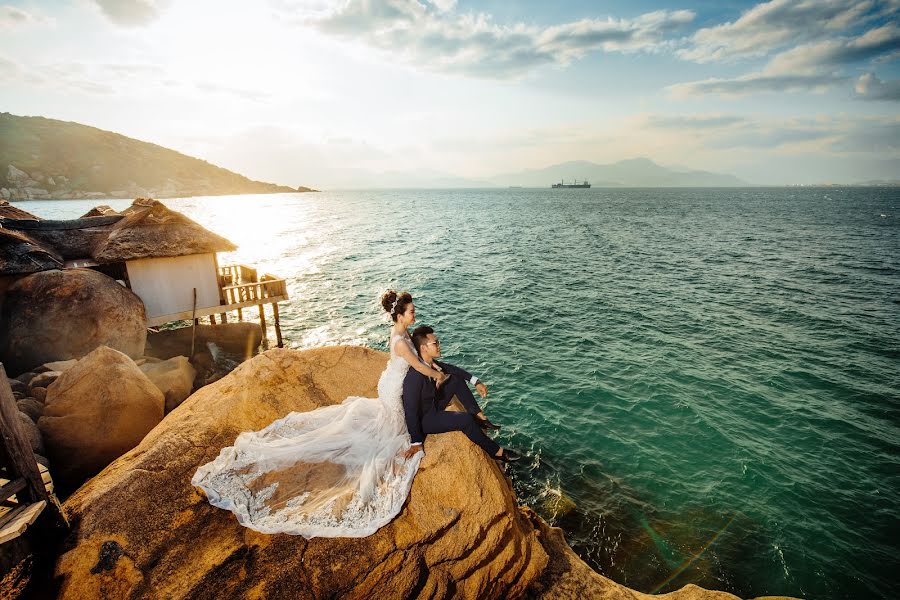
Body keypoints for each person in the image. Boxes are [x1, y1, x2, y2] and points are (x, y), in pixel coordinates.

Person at [191, 290, 448, 538]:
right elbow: (416, 364)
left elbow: (419, 357)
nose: (415, 314)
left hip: (390, 382)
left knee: (380, 425)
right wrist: (437, 375)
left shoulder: (402, 333)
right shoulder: (401, 342)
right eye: (411, 311)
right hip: (393, 390)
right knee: (389, 434)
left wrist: (433, 364)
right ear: (400, 315)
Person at [403, 326, 521, 463]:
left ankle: (479, 416)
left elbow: (452, 369)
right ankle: (497, 452)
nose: (439, 345)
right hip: (426, 419)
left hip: (433, 404)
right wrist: (416, 442)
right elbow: (410, 411)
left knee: (456, 379)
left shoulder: (430, 363)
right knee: (465, 420)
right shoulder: (414, 376)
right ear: (423, 348)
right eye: (435, 343)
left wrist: (476, 381)